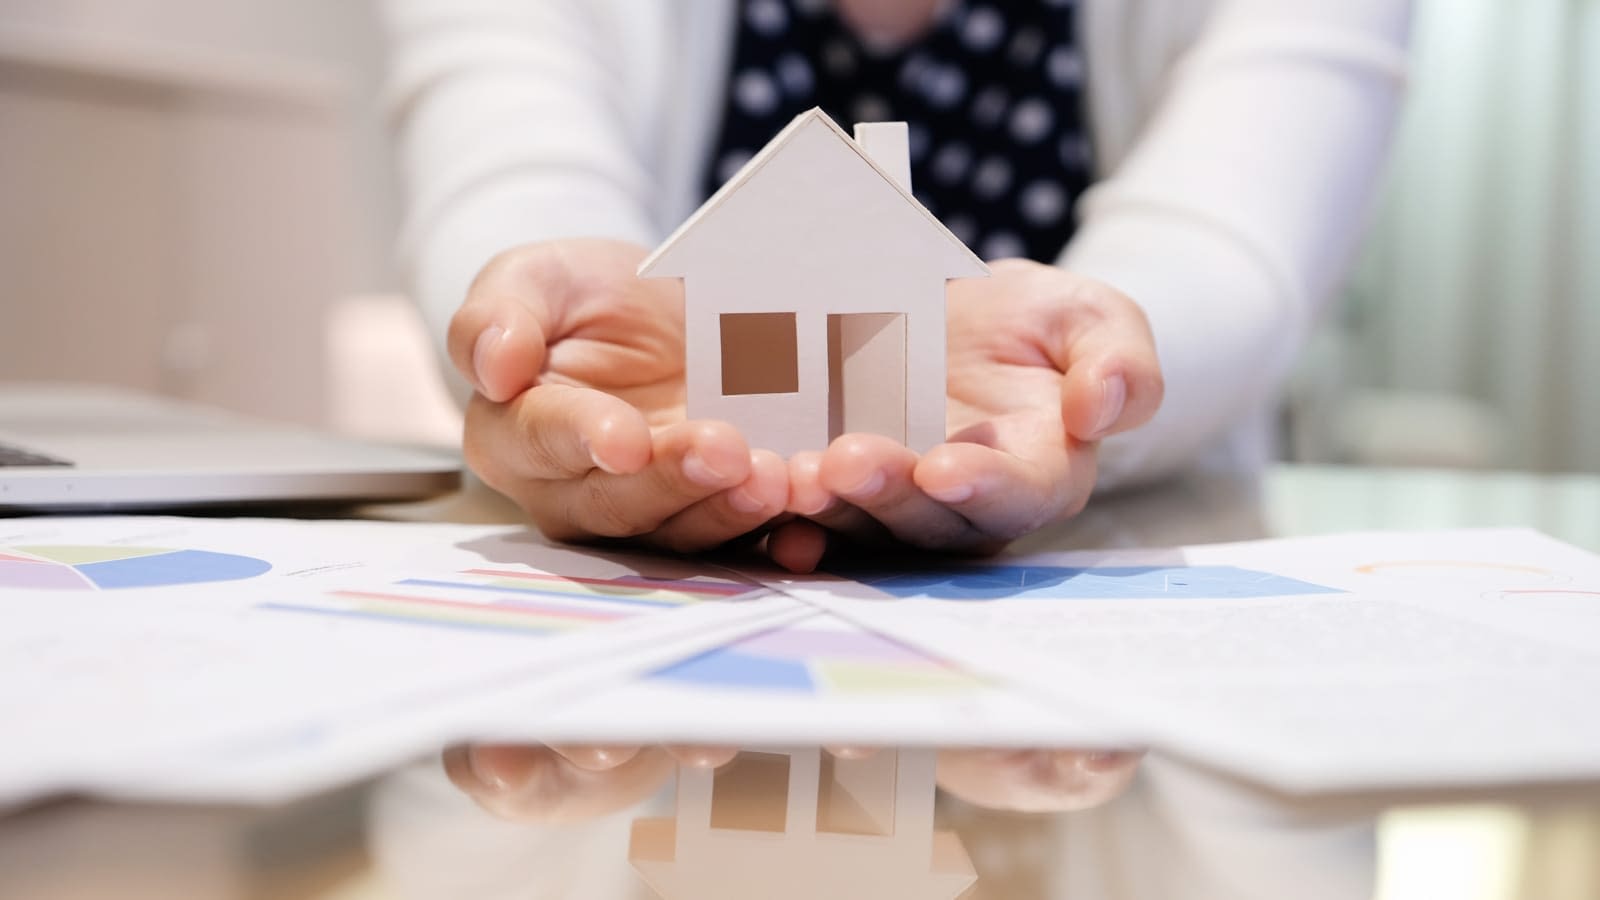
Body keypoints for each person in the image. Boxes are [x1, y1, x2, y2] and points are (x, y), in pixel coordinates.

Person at [371, 0, 1410, 891]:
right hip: (668, 659)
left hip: (1100, 631)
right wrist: (547, 330)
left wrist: (1092, 366)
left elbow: (1238, 237)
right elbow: (505, 153)